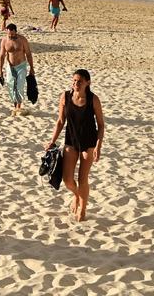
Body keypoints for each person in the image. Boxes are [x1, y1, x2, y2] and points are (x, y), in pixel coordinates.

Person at [45, 69, 105, 221]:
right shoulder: (65, 96)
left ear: (87, 83)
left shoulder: (93, 100)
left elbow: (101, 125)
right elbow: (60, 121)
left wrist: (98, 146)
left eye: (79, 81)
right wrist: (52, 140)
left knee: (82, 179)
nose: (76, 84)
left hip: (89, 143)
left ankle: (83, 209)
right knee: (67, 180)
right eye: (74, 81)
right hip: (70, 141)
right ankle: (77, 195)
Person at [0, 23, 35, 115]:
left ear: (16, 32)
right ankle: (15, 106)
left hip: (21, 65)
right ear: (7, 32)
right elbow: (1, 56)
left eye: (13, 34)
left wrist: (31, 68)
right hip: (10, 66)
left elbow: (28, 54)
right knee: (11, 85)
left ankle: (19, 106)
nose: (11, 36)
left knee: (20, 85)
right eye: (9, 34)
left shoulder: (22, 40)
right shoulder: (4, 41)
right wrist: (0, 71)